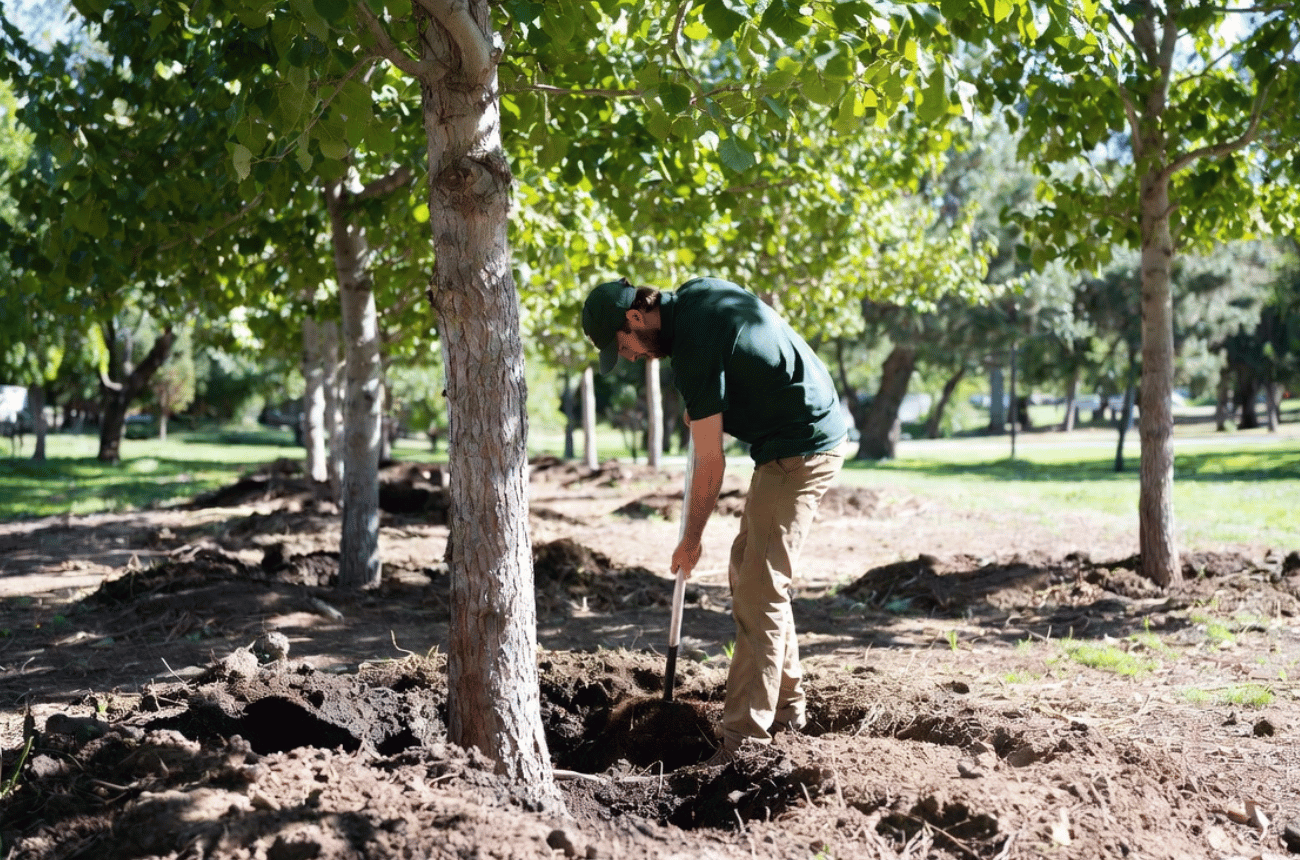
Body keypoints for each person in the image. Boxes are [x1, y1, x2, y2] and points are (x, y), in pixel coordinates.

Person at [581, 276, 848, 764]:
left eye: (626, 346)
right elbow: (741, 366)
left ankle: (743, 741)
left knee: (759, 587)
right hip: (792, 436)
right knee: (748, 568)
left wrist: (691, 539)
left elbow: (711, 460)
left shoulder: (692, 351)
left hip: (802, 446)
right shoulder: (699, 297)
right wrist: (709, 408)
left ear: (636, 318)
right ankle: (788, 710)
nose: (633, 358)